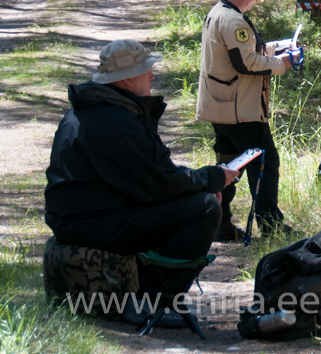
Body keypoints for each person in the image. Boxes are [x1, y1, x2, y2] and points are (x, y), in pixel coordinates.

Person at [44, 39, 239, 324]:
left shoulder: (98, 110)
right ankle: (151, 302)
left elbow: (148, 177)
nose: (152, 75)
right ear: (126, 79)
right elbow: (156, 184)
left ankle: (144, 291)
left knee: (197, 200)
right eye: (146, 69)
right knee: (205, 208)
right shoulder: (113, 120)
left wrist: (200, 183)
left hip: (88, 217)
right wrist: (211, 179)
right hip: (90, 224)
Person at [196, 0, 294, 239]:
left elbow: (240, 53)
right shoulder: (234, 20)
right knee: (264, 161)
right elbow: (245, 63)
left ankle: (220, 223)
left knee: (229, 166)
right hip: (240, 110)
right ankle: (270, 225)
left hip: (221, 106)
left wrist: (278, 48)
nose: (257, 0)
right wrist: (282, 64)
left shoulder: (218, 12)